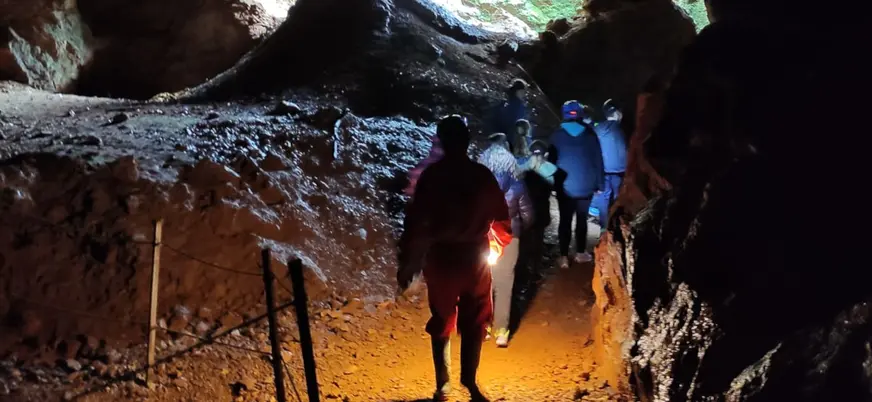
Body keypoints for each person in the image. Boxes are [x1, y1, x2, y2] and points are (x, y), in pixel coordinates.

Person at [397, 115, 511, 402]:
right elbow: (501, 216)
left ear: (442, 141)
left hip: (440, 257)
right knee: (476, 319)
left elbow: (416, 221)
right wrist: (498, 245)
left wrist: (409, 260)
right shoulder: (480, 175)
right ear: (467, 141)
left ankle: (443, 383)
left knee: (442, 316)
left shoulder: (432, 177)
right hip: (474, 256)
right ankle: (469, 383)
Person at [477, 144, 533, 348]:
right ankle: (502, 331)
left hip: (482, 240)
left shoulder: (476, 184)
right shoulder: (518, 185)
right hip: (510, 240)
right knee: (504, 285)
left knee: (482, 284)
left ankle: (482, 327)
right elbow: (528, 215)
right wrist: (517, 231)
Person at [549, 100, 604, 269]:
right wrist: (600, 184)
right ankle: (580, 253)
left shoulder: (556, 136)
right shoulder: (591, 135)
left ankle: (564, 257)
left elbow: (551, 162)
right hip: (586, 185)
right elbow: (598, 161)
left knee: (565, 221)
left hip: (564, 186)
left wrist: (552, 183)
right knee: (582, 219)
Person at [591, 99, 628, 228]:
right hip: (621, 171)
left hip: (603, 171)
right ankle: (617, 225)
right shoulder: (623, 129)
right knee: (619, 198)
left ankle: (604, 227)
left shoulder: (597, 128)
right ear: (617, 112)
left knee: (603, 199)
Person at [489, 79, 529, 148]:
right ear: (519, 91)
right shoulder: (518, 106)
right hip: (511, 139)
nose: (524, 94)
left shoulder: (507, 103)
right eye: (524, 91)